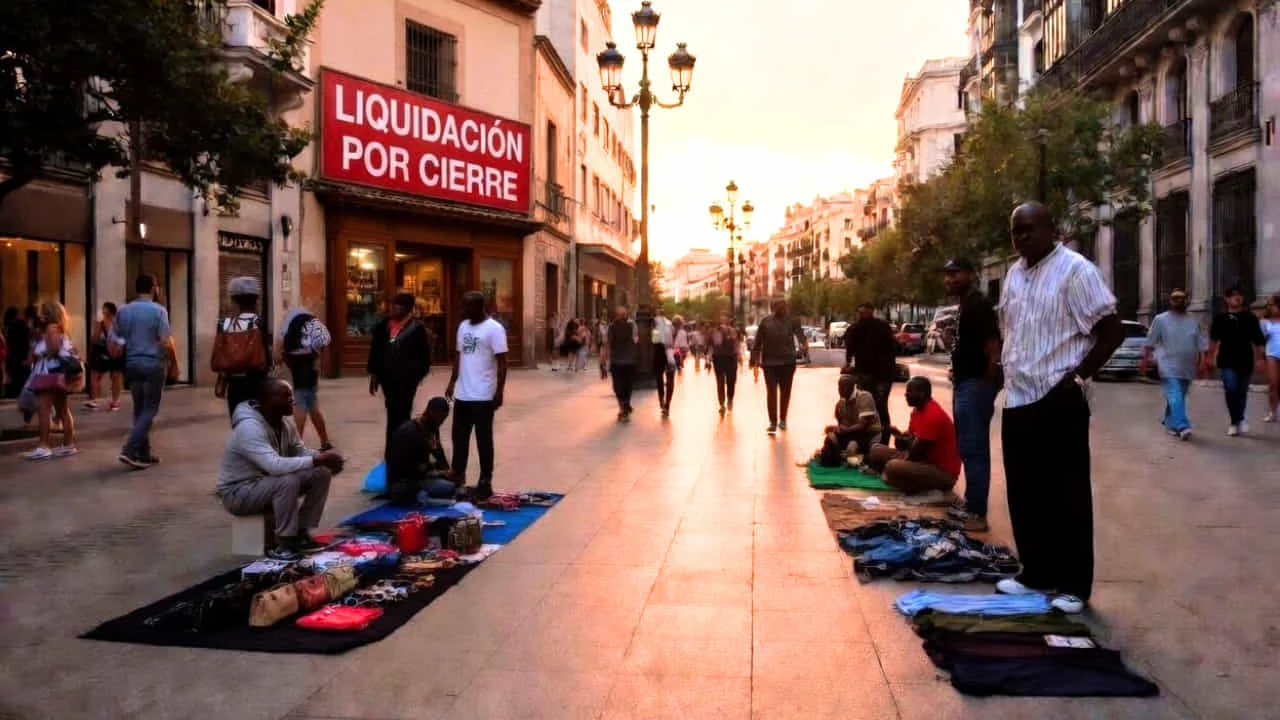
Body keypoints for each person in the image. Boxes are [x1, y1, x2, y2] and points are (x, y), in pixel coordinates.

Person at [996, 201, 1124, 615]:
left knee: (1066, 493)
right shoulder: (1013, 275)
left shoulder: (1076, 270)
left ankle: (1073, 584)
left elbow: (1111, 331)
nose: (1021, 238)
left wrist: (1078, 378)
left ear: (1051, 228)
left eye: (1029, 229)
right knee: (1024, 492)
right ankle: (1035, 571)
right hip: (1018, 398)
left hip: (1058, 396)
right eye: (1015, 231)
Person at [217, 378, 344, 561]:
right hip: (238, 492)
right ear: (267, 401)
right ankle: (285, 543)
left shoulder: (284, 423)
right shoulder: (249, 428)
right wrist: (317, 459)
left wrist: (323, 459)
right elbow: (273, 465)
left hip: (264, 483)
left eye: (291, 395)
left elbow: (300, 452)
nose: (292, 400)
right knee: (287, 481)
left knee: (320, 474)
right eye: (285, 396)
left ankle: (301, 533)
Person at [942, 258, 1002, 533]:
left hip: (975, 384)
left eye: (956, 274)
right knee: (967, 446)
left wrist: (987, 376)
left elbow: (992, 343)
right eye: (948, 275)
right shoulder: (966, 306)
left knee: (975, 448)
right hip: (966, 381)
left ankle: (977, 512)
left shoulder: (979, 304)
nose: (950, 280)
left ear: (970, 274)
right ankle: (971, 504)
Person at [445, 291, 508, 500]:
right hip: (463, 394)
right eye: (464, 306)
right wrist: (453, 381)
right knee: (459, 439)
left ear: (481, 307)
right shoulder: (463, 326)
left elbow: (502, 362)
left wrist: (499, 390)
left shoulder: (495, 329)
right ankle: (457, 476)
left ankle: (485, 479)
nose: (464, 311)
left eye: (468, 306)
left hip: (483, 395)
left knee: (484, 440)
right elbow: (459, 355)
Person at [113, 274, 173, 469]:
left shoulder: (124, 310)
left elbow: (116, 338)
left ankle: (143, 452)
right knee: (150, 409)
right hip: (153, 363)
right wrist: (169, 361)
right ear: (153, 288)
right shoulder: (159, 311)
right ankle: (129, 449)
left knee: (140, 408)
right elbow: (165, 340)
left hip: (132, 363)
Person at [865, 376, 960, 495]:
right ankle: (895, 476)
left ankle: (898, 479)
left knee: (893, 466)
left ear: (922, 393)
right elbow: (909, 441)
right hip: (921, 460)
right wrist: (900, 437)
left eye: (909, 392)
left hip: (941, 471)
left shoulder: (933, 414)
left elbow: (915, 453)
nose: (906, 395)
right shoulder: (917, 411)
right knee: (876, 449)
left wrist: (904, 446)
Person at [368, 292, 432, 455]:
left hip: (406, 382)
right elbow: (375, 351)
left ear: (407, 309)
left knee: (402, 414)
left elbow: (424, 359)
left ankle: (399, 448)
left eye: (398, 306)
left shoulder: (416, 329)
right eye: (393, 305)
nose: (393, 308)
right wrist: (374, 375)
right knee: (392, 412)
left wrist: (413, 375)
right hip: (387, 380)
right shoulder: (383, 327)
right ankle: (392, 447)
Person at [1141, 289, 1208, 441]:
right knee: (1175, 393)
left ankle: (1170, 422)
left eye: (1183, 298)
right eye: (1176, 298)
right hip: (1167, 364)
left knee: (1179, 395)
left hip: (1187, 365)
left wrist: (1203, 361)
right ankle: (1183, 425)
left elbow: (1201, 342)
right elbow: (1150, 341)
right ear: (1170, 301)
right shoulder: (1160, 319)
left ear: (1187, 301)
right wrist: (1144, 360)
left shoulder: (1193, 320)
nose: (1180, 301)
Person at [23, 303, 81, 460]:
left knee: (44, 411)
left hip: (49, 373)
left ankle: (44, 445)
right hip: (59, 373)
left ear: (48, 314)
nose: (40, 316)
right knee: (63, 410)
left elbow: (53, 349)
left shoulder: (51, 328)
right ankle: (68, 444)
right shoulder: (61, 328)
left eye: (43, 313)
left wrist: (41, 352)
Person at [1207, 285, 1265, 435]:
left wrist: (1260, 359)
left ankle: (1239, 418)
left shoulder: (1250, 317)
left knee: (1241, 391)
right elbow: (1213, 339)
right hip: (1226, 358)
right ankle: (1236, 421)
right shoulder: (1220, 318)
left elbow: (1258, 339)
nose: (1237, 297)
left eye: (1239, 295)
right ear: (1226, 299)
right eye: (1233, 295)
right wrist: (1209, 357)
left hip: (1245, 357)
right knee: (1231, 388)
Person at [279, 307, 334, 450]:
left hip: (298, 365)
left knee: (302, 405)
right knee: (311, 404)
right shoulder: (312, 320)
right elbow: (325, 340)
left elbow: (279, 345)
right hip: (309, 365)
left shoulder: (288, 321)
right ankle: (324, 441)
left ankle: (297, 445)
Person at [385, 397, 456, 506]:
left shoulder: (432, 427)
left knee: (450, 487)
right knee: (421, 494)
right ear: (430, 413)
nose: (441, 423)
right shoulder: (409, 432)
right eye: (440, 419)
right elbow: (404, 468)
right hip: (402, 483)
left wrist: (447, 472)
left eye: (443, 420)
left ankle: (427, 498)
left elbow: (439, 455)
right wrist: (432, 470)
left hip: (420, 478)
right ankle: (425, 500)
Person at [750, 300, 807, 434]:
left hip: (788, 362)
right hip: (769, 363)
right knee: (771, 392)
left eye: (784, 306)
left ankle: (783, 419)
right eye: (779, 306)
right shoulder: (765, 322)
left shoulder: (792, 321)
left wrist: (804, 344)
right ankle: (773, 422)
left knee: (785, 392)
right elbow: (757, 342)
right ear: (773, 308)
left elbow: (800, 335)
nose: (782, 308)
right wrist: (754, 361)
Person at [844, 302, 898, 443]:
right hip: (868, 373)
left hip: (880, 373)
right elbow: (850, 350)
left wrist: (849, 363)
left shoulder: (880, 327)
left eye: (865, 312)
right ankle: (872, 438)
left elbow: (892, 348)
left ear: (872, 311)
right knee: (870, 406)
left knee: (878, 405)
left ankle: (881, 438)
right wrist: (849, 363)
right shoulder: (856, 329)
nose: (863, 315)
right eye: (861, 312)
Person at [818, 373, 882, 467]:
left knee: (853, 448)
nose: (840, 390)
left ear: (852, 386)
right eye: (839, 387)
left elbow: (862, 425)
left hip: (868, 434)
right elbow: (843, 423)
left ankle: (858, 456)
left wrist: (845, 429)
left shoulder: (864, 397)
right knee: (830, 438)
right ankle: (841, 456)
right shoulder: (841, 403)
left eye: (844, 387)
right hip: (852, 434)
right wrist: (838, 429)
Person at [601, 305, 639, 420]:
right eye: (620, 314)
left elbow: (606, 343)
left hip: (621, 361)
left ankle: (623, 406)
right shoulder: (628, 326)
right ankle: (624, 406)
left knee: (621, 385)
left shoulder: (614, 327)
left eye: (622, 314)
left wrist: (604, 359)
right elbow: (636, 340)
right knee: (623, 385)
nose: (622, 316)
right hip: (623, 360)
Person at [86, 302, 124, 412]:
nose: (103, 312)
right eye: (103, 310)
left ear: (111, 312)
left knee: (116, 376)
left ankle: (115, 401)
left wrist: (119, 347)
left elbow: (123, 338)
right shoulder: (100, 324)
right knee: (95, 375)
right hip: (101, 352)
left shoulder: (118, 324)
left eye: (105, 310)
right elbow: (94, 340)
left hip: (115, 351)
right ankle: (94, 400)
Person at [708, 311, 741, 416]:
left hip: (731, 358)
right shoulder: (713, 332)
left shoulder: (733, 331)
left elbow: (737, 343)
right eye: (721, 318)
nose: (722, 320)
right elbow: (712, 346)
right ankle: (722, 404)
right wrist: (708, 359)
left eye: (724, 318)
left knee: (731, 381)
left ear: (727, 320)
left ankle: (730, 399)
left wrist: (738, 355)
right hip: (718, 359)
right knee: (720, 381)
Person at [651, 306, 677, 417]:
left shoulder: (656, 325)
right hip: (670, 353)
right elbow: (674, 339)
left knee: (660, 379)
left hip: (660, 353)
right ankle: (667, 405)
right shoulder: (670, 324)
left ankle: (662, 401)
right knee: (669, 380)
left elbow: (655, 340)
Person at [3, 306, 32, 400]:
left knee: (14, 381)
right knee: (22, 382)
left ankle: (11, 395)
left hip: (12, 358)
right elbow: (27, 343)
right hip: (21, 358)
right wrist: (28, 358)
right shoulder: (21, 325)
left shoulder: (8, 327)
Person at [1261, 295, 1280, 422]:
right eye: (1270, 305)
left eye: (1273, 304)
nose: (1272, 307)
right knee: (1273, 383)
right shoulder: (1265, 322)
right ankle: (1272, 411)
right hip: (1272, 353)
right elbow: (1261, 341)